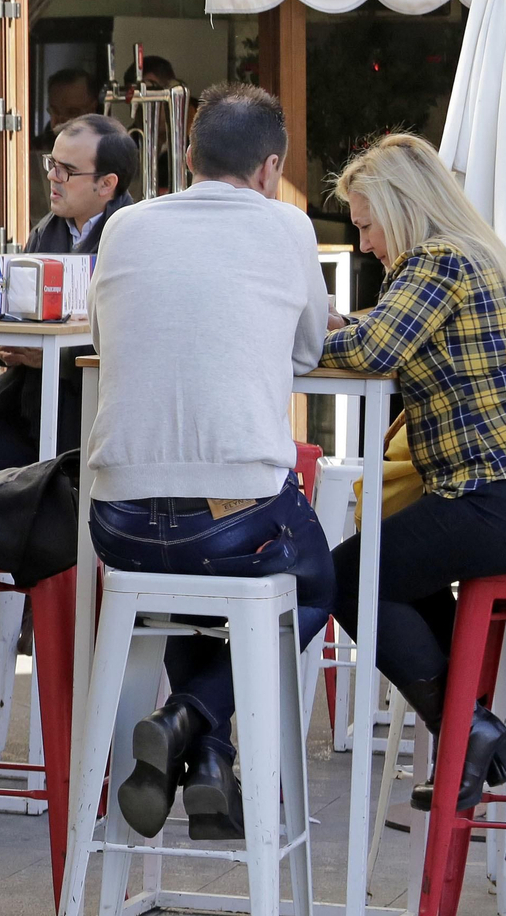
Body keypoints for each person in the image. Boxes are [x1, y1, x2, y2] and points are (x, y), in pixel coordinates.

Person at [85, 83, 332, 842]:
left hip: (117, 522)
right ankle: (190, 720)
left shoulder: (124, 225)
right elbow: (309, 348)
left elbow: (102, 327)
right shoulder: (287, 226)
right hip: (231, 523)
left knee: (205, 592)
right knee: (317, 579)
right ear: (270, 168)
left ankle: (207, 757)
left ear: (186, 158)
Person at [324, 133, 506, 811]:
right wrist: (351, 325)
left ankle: (469, 730)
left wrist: (308, 329)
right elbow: (386, 334)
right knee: (395, 563)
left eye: (365, 224)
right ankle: (477, 736)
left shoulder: (437, 260)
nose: (364, 244)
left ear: (401, 207)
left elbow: (373, 348)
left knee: (346, 576)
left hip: (497, 497)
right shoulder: (478, 254)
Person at [0, 113, 135, 488]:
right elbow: (14, 315)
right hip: (17, 417)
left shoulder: (133, 240)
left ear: (107, 184)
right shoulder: (47, 230)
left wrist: (55, 357)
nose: (53, 178)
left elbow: (139, 347)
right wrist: (1, 346)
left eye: (67, 171)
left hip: (87, 428)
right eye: (51, 164)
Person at [33, 67, 100, 152]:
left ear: (92, 109)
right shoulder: (34, 150)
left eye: (72, 112)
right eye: (55, 111)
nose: (61, 120)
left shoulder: (106, 149)